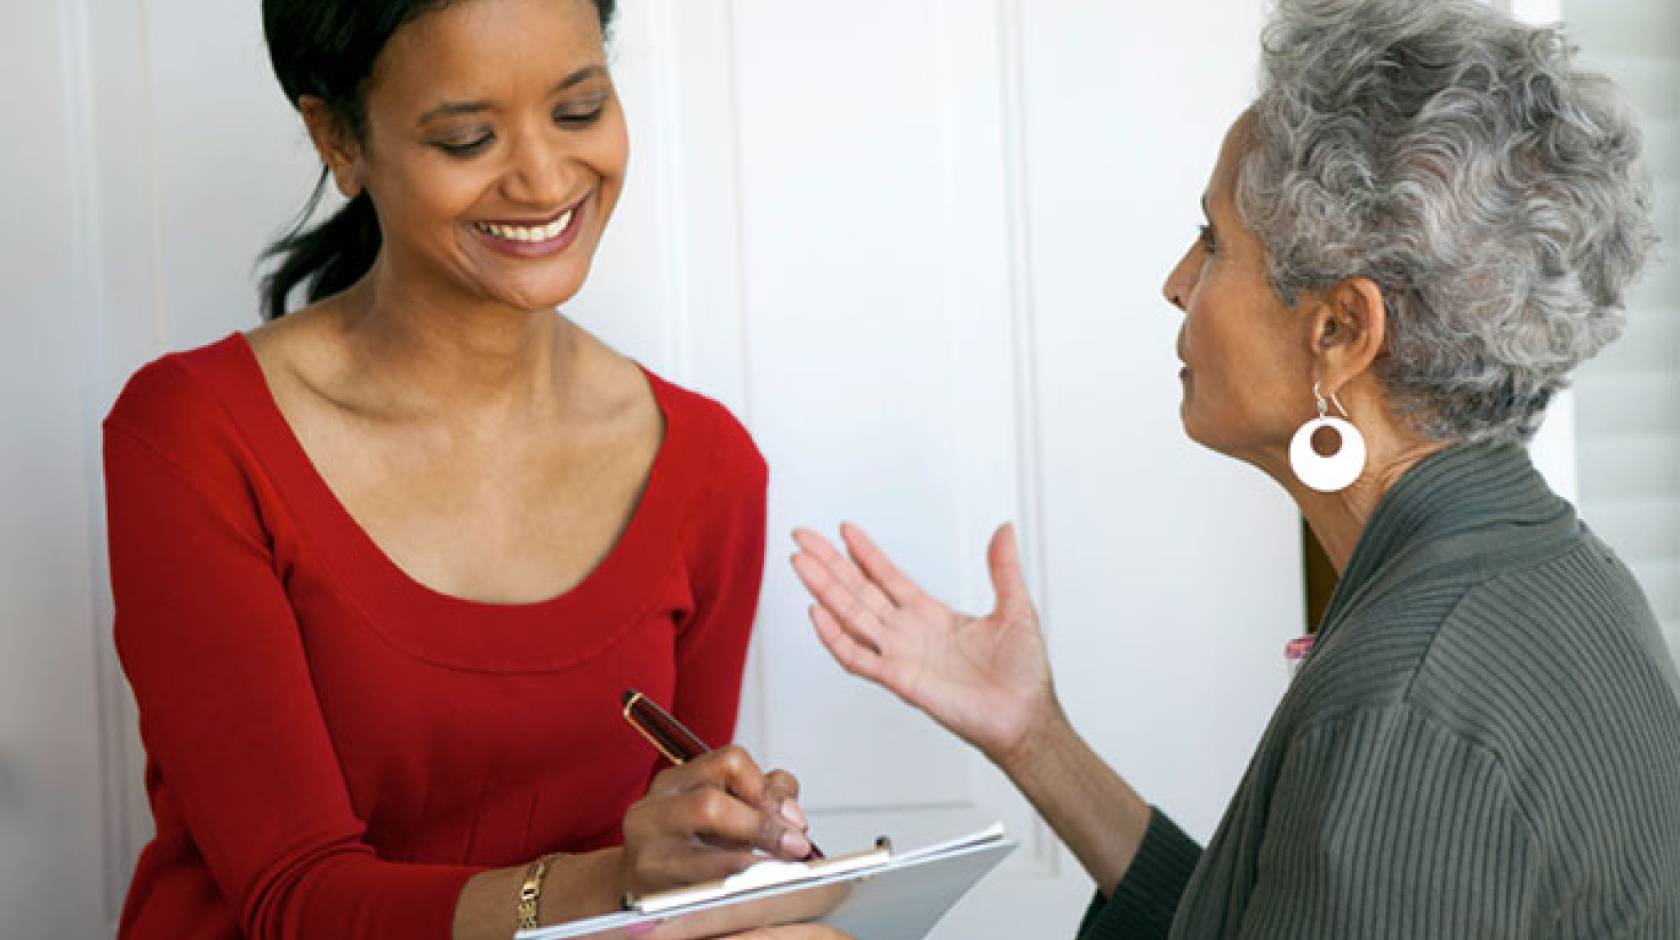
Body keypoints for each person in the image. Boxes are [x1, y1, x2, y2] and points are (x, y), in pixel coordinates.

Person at [791, 0, 1680, 936]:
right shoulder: (1556, 577)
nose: (1177, 280)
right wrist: (1036, 739)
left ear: (1339, 330)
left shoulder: (1402, 705)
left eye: (1214, 241)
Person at [103, 0, 821, 936]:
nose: (544, 176)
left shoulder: (708, 464)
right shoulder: (195, 436)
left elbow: (668, 856)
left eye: (577, 111)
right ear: (338, 140)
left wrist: (719, 843)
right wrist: (619, 883)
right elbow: (294, 900)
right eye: (468, 137)